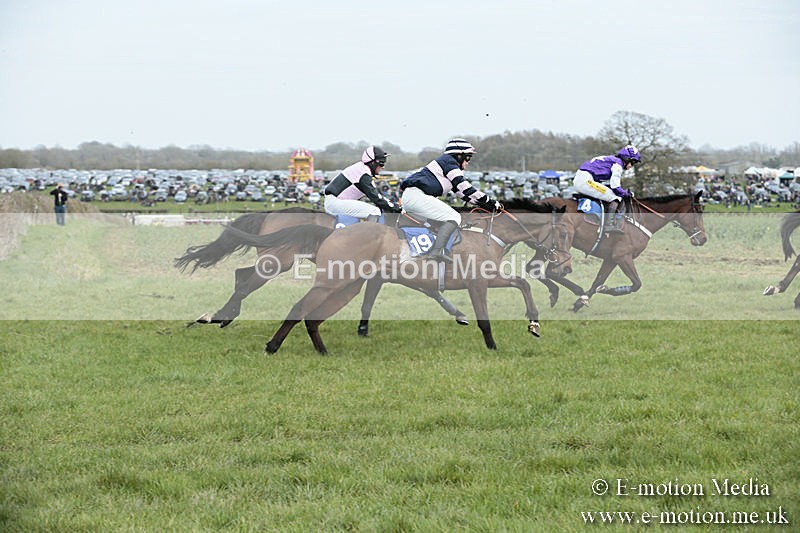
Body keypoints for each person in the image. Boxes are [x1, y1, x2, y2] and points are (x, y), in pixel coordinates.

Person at [400, 138, 501, 262]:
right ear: (458, 156)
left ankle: (433, 250)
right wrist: (489, 201)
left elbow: (461, 193)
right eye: (468, 158)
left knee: (440, 222)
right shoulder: (449, 162)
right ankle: (436, 252)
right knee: (454, 217)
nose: (468, 162)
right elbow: (464, 186)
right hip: (416, 196)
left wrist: (480, 203)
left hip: (413, 197)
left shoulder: (447, 165)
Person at [573, 145, 641, 233]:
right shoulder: (618, 165)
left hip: (583, 178)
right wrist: (626, 193)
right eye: (632, 163)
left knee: (610, 194)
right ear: (627, 159)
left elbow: (609, 185)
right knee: (615, 198)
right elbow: (615, 187)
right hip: (585, 180)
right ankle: (608, 225)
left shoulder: (613, 160)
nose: (632, 166)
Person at [323, 146, 401, 221]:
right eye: (381, 164)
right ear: (373, 163)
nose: (383, 167)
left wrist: (393, 204)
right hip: (336, 203)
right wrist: (395, 207)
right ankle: (370, 234)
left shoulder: (361, 169)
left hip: (335, 202)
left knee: (371, 209)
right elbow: (376, 198)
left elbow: (377, 195)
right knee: (374, 211)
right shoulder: (364, 173)